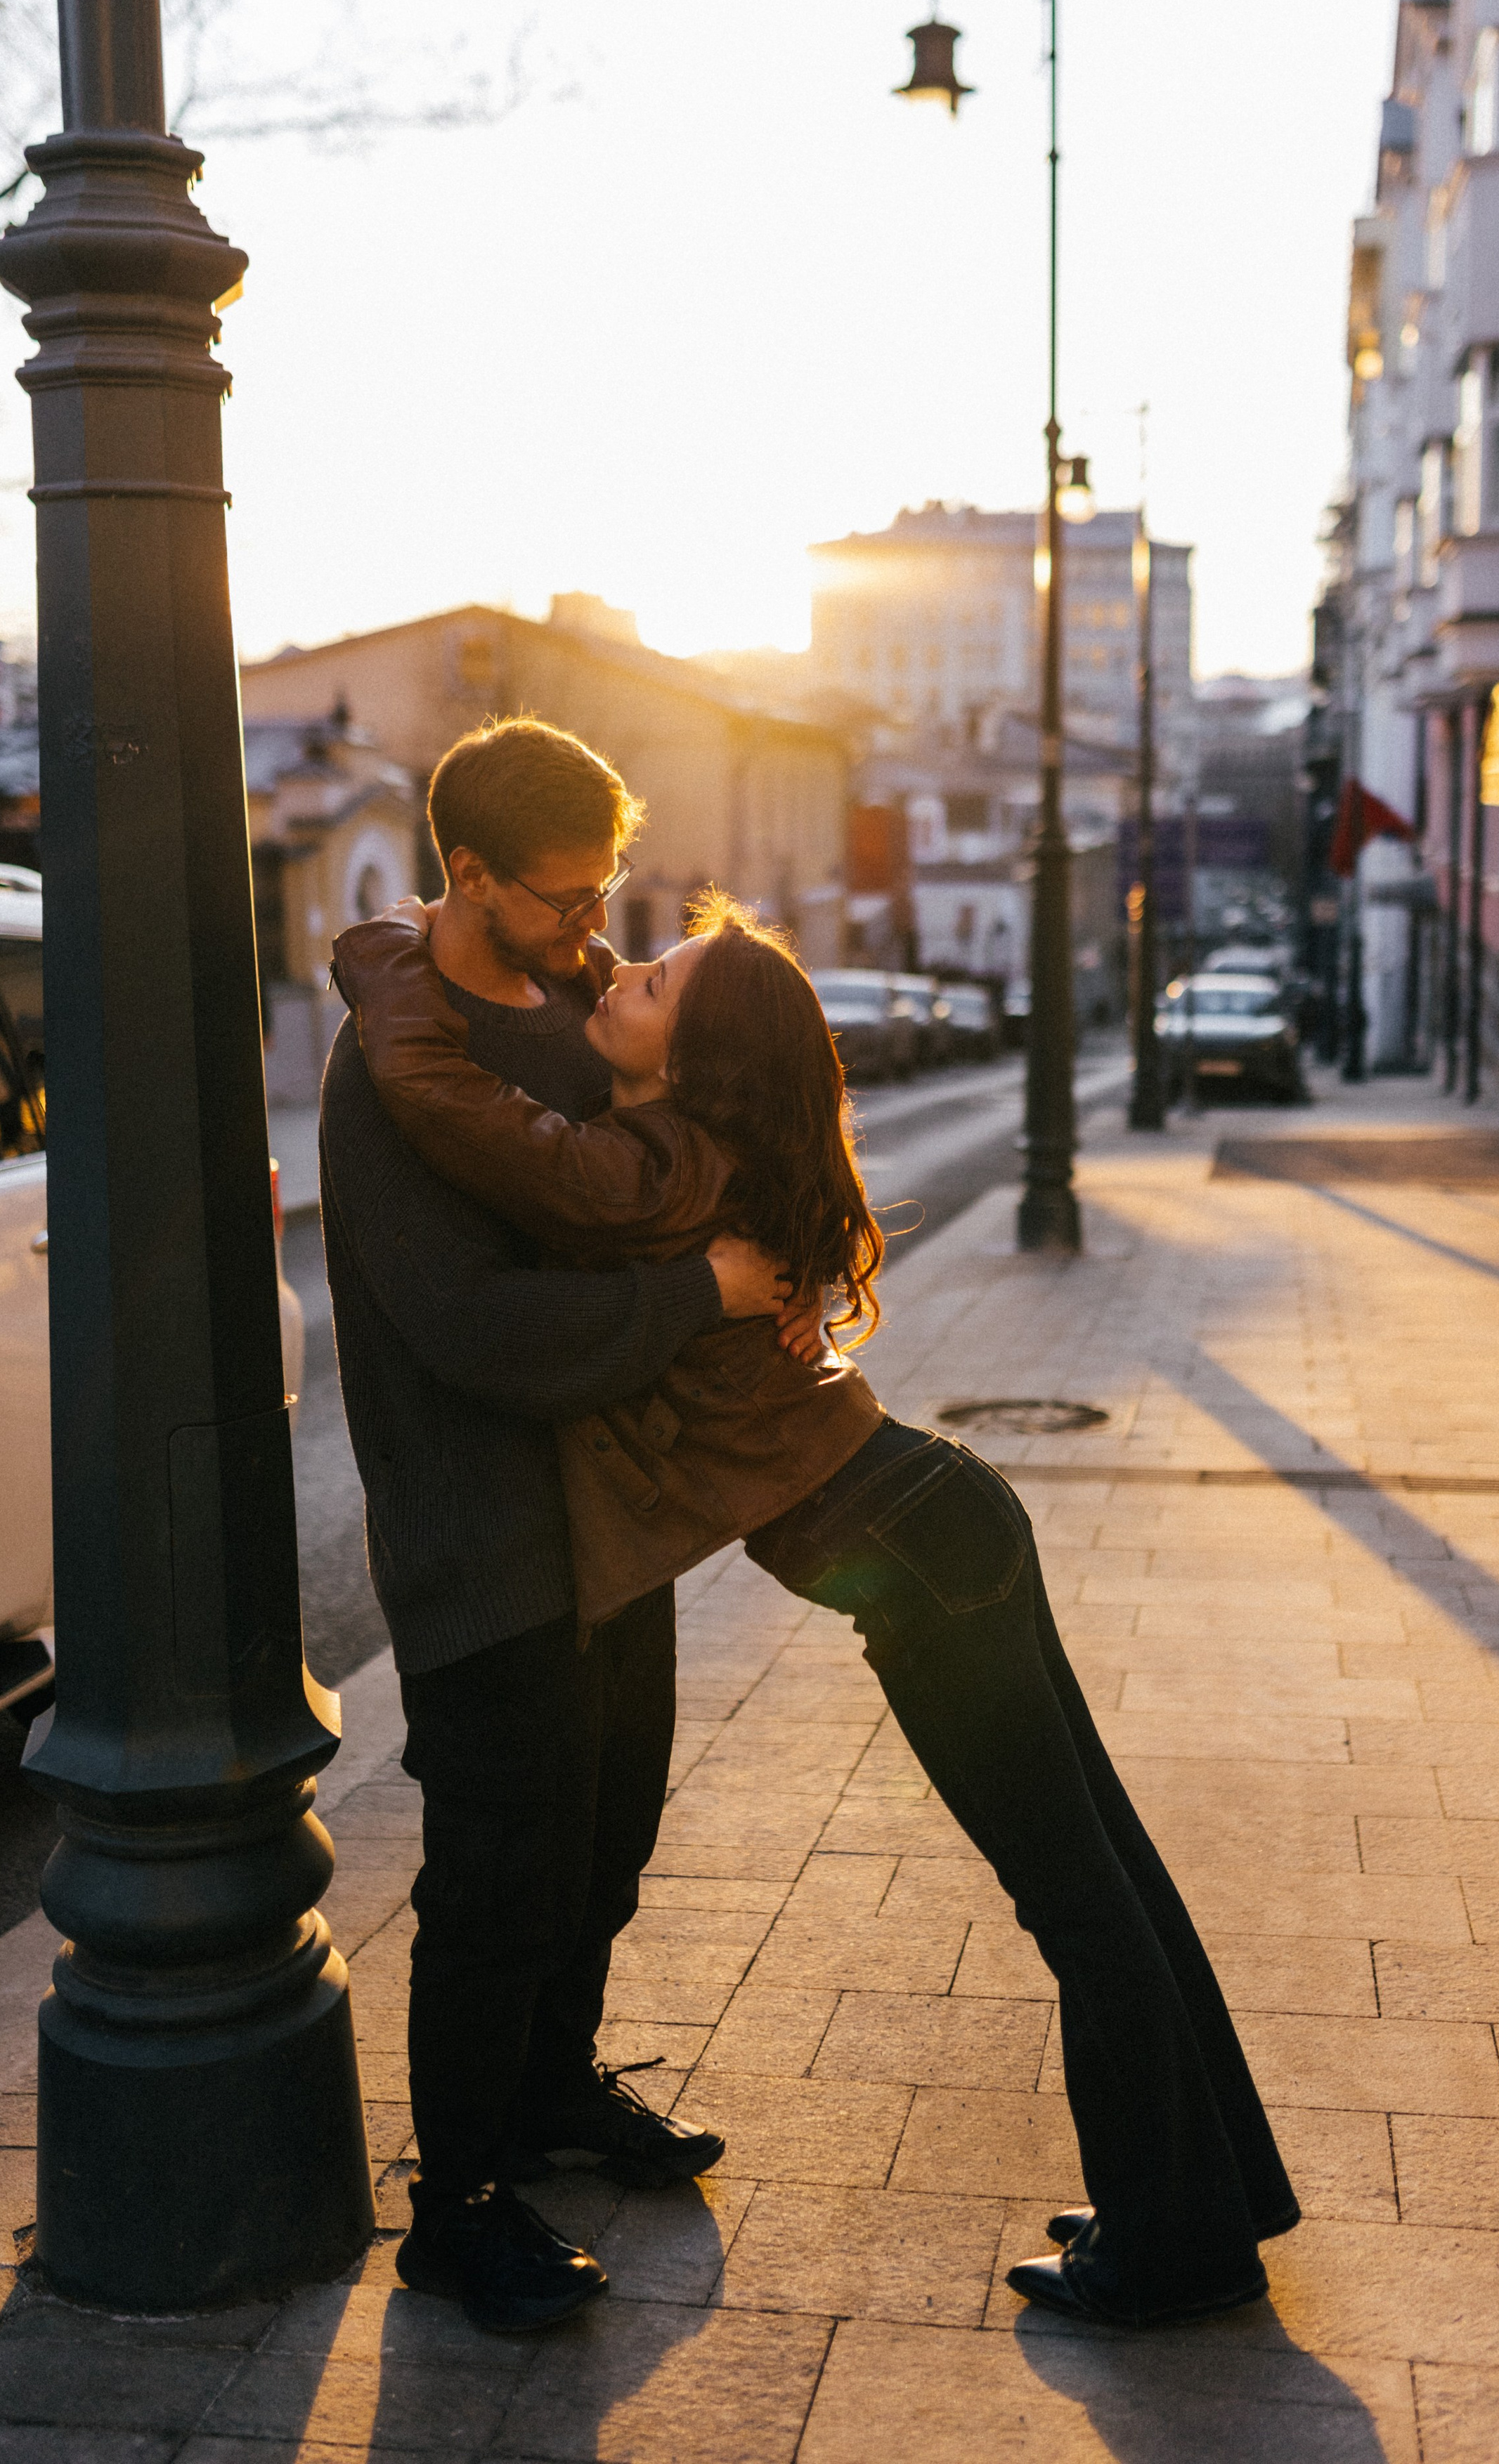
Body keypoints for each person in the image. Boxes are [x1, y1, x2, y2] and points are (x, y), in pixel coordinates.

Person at [330, 889, 1301, 2332]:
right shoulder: (702, 1146)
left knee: (1070, 1887)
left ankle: (1176, 2245)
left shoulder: (650, 1167)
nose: (616, 967)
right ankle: (1210, 2196)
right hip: (933, 1526)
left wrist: (383, 956)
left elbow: (462, 1116)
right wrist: (483, 922)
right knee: (1099, 1861)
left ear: (692, 1058)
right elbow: (592, 1014)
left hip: (917, 1553)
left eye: (649, 978)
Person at [319, 713, 817, 2339]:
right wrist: (689, 1294)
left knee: (602, 1835)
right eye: (557, 898)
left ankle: (550, 2095)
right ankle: (457, 2202)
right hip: (482, 1523)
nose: (591, 929)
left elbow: (667, 1171)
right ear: (466, 877)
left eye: (605, 892)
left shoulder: (568, 1016)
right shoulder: (401, 1070)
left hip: (617, 1518)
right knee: (495, 1867)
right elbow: (470, 1327)